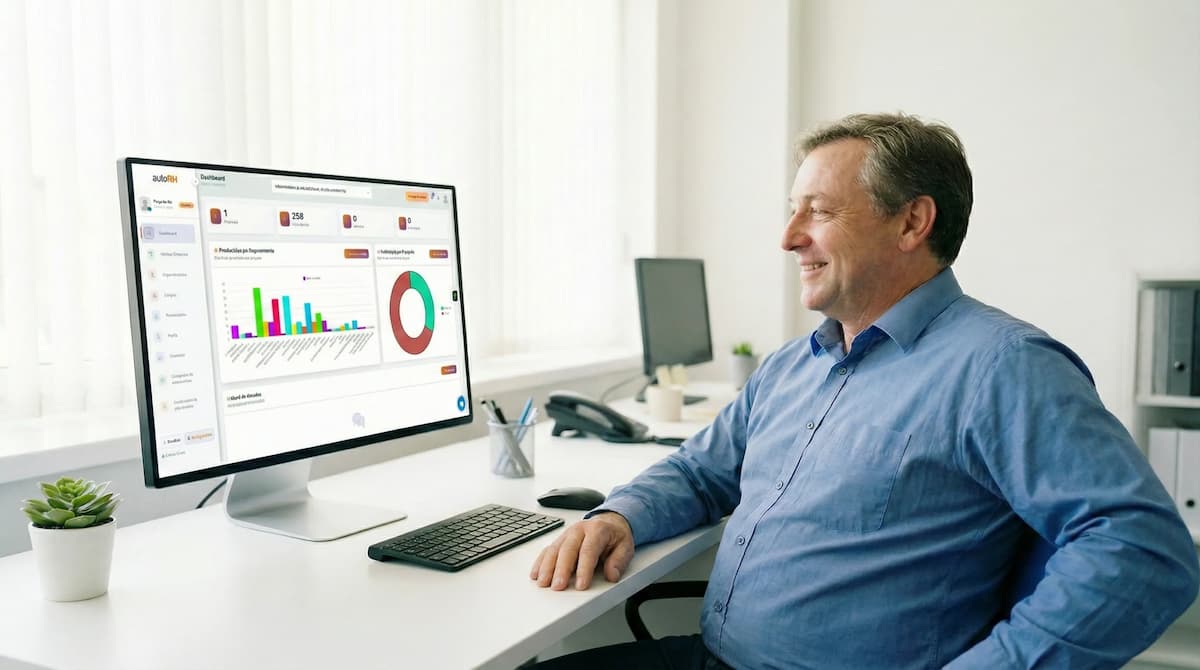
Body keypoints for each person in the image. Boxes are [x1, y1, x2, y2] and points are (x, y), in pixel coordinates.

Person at [529, 112, 1200, 669]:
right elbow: (703, 471)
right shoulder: (794, 364)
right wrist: (619, 515)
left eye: (817, 213)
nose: (788, 238)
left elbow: (1144, 551)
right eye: (792, 212)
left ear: (912, 223)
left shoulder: (1003, 366)